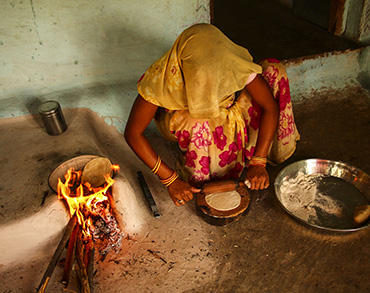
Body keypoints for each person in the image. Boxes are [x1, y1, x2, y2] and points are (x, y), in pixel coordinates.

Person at [124, 23, 299, 206]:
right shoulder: (161, 79)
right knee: (195, 122)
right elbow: (133, 134)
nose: (209, 85)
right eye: (201, 78)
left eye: (216, 76)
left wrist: (259, 160)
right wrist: (170, 179)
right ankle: (205, 167)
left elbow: (269, 107)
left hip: (227, 108)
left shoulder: (231, 62)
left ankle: (252, 155)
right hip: (188, 117)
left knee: (273, 70)